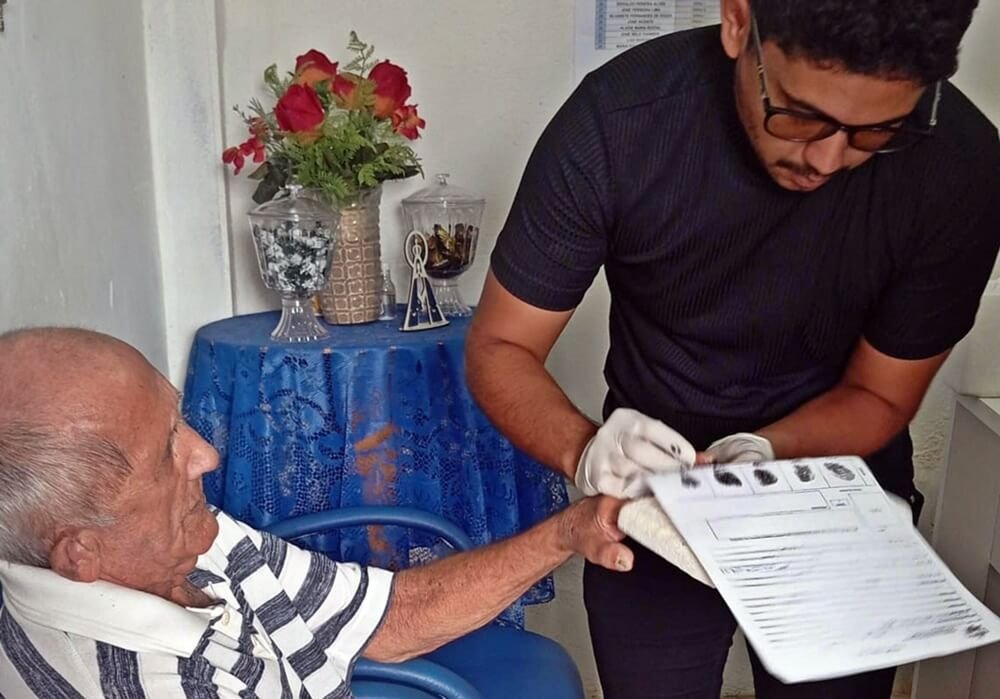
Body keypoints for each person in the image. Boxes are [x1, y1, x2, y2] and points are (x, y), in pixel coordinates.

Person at [465, 0, 1000, 697]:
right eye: (799, 116)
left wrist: (770, 449)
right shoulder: (621, 122)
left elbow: (880, 393)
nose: (827, 159)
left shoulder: (960, 165)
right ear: (738, 22)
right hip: (648, 501)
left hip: (835, 493)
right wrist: (584, 448)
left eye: (877, 132)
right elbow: (501, 345)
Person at [0, 327, 632, 698]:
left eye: (179, 420)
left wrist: (568, 531)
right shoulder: (158, 682)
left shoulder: (174, 542)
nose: (207, 455)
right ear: (81, 553)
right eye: (167, 452)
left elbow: (385, 616)